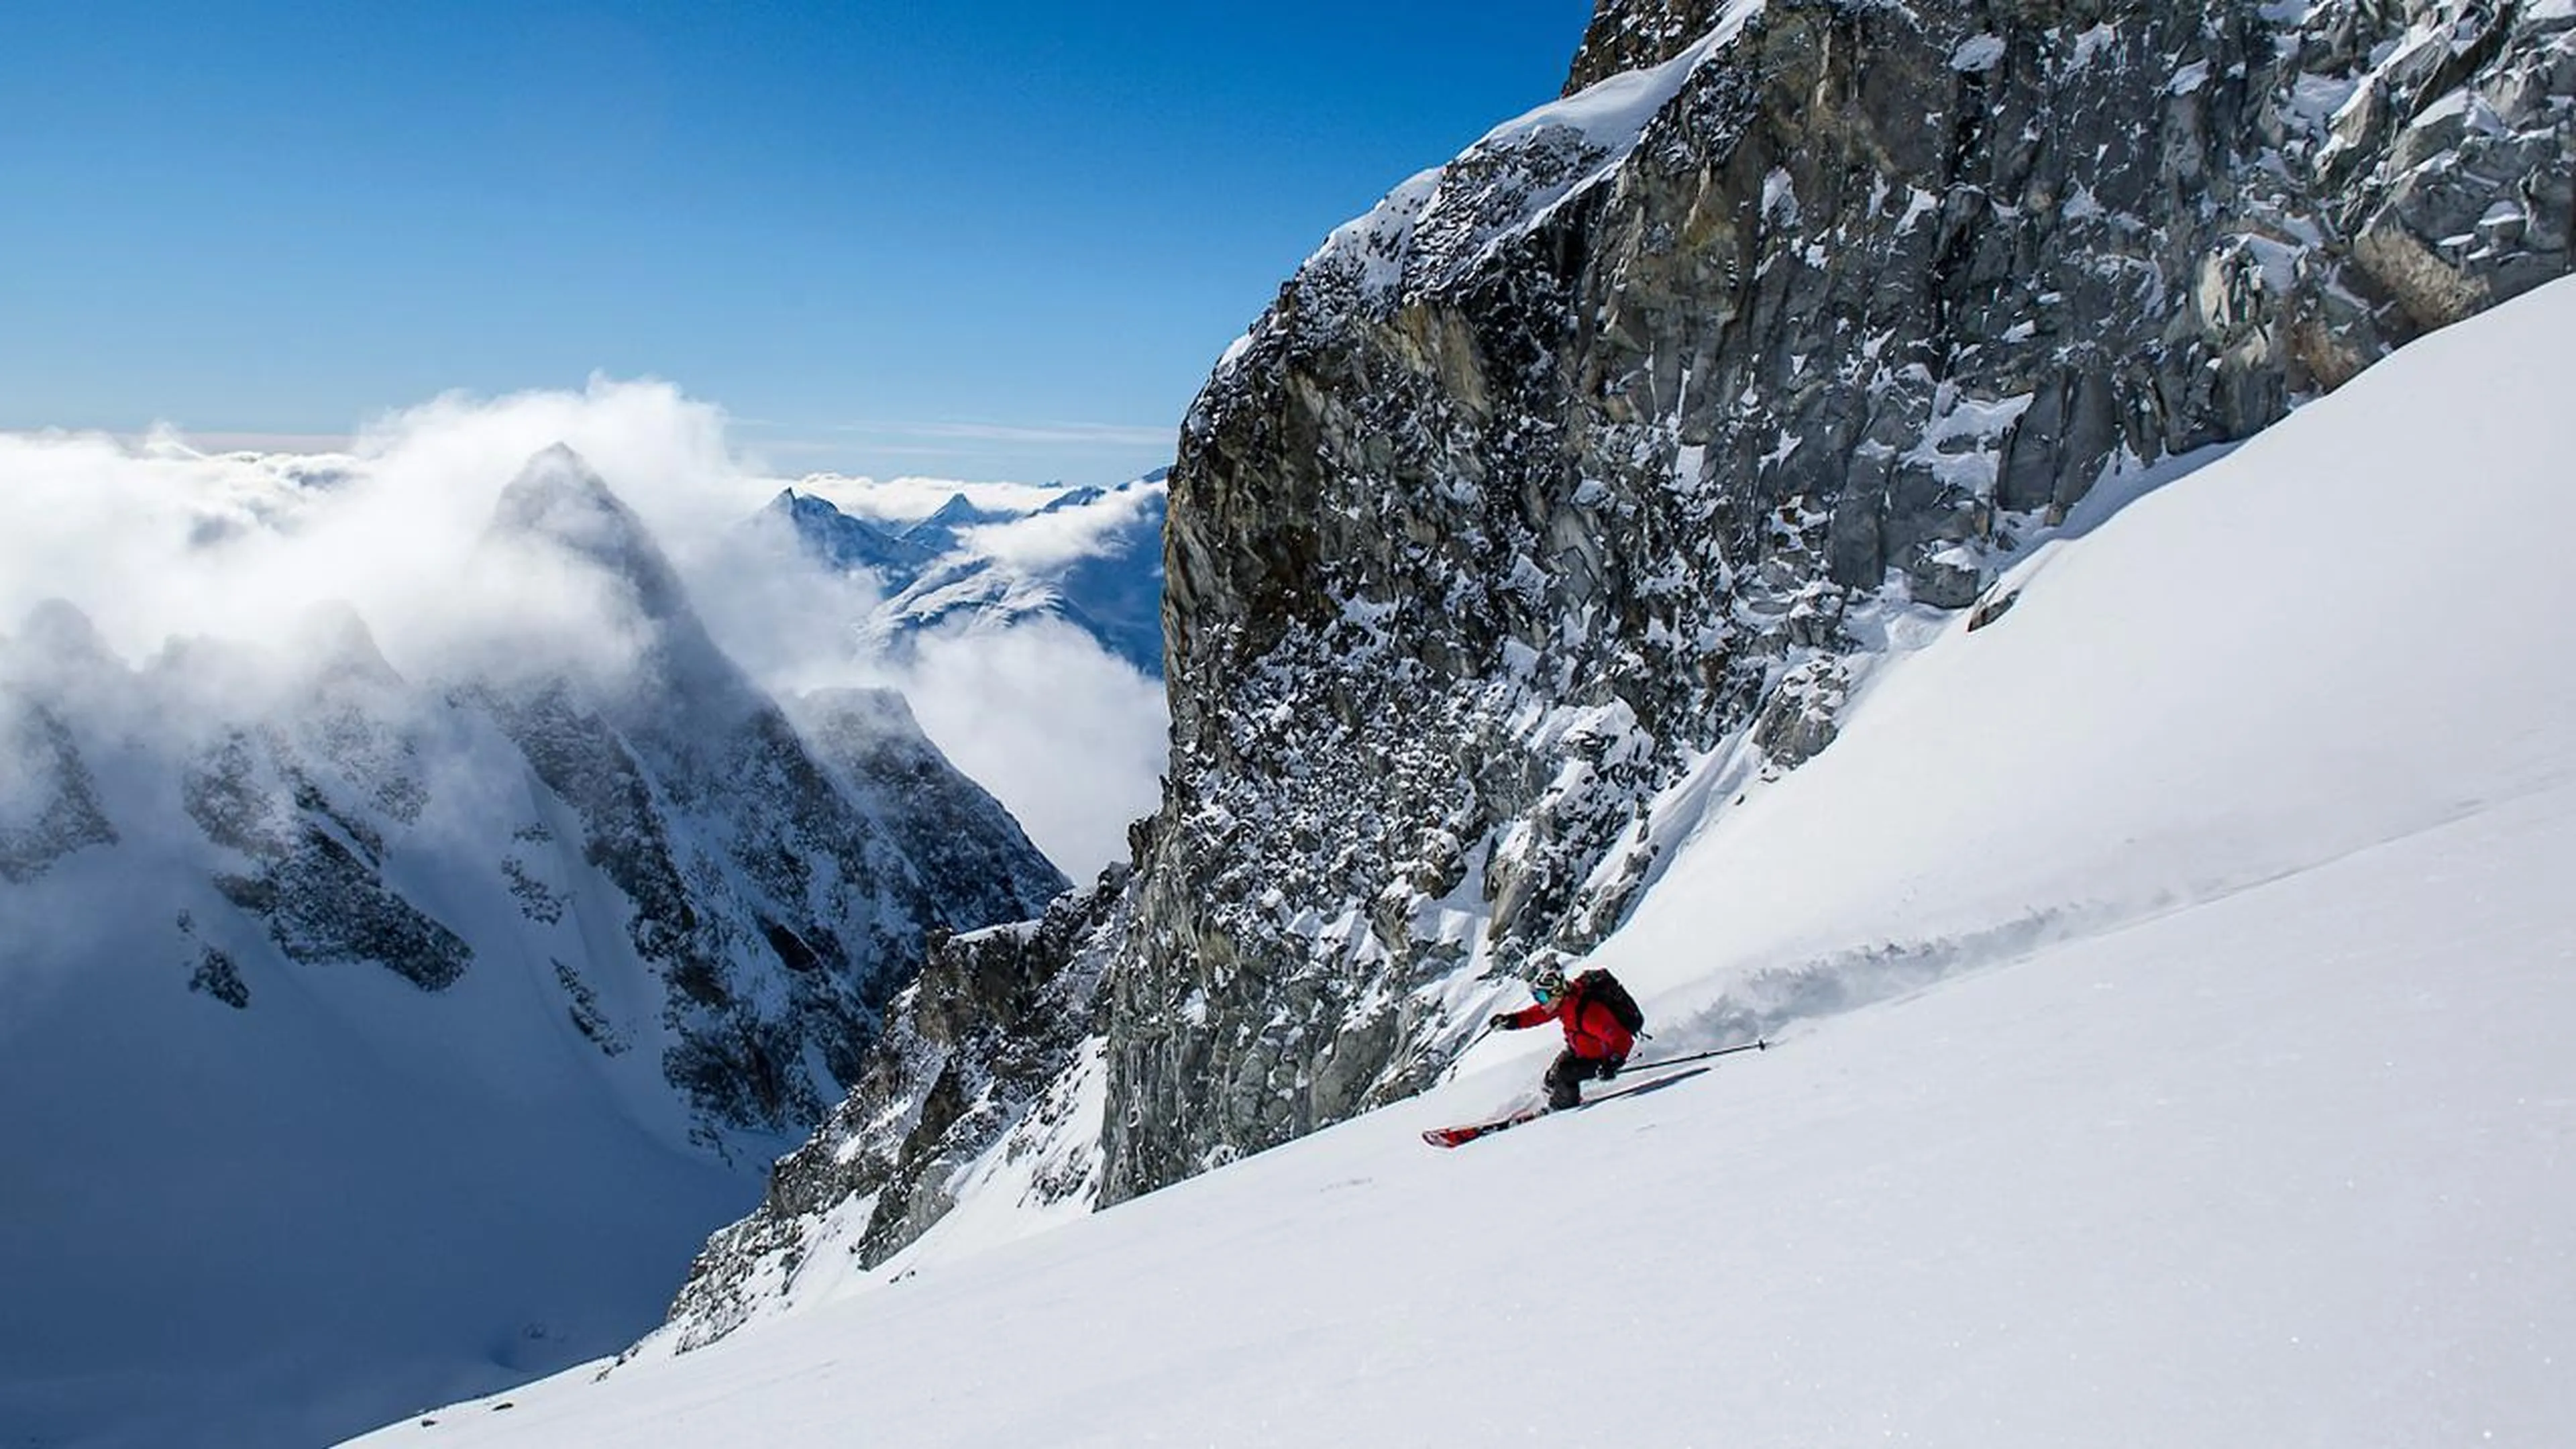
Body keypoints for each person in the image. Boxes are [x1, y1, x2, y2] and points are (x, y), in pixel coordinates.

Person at [1488, 958, 1635, 1110]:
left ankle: (1561, 1110)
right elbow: (1537, 1015)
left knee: (1564, 1075)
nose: (1541, 1003)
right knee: (1551, 1080)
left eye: (1543, 997)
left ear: (1557, 993)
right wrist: (1511, 1021)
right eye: (1538, 998)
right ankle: (1558, 1098)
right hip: (1579, 1051)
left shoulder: (1589, 1014)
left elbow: (1623, 1038)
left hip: (1603, 1058)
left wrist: (1613, 1062)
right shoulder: (1563, 1003)